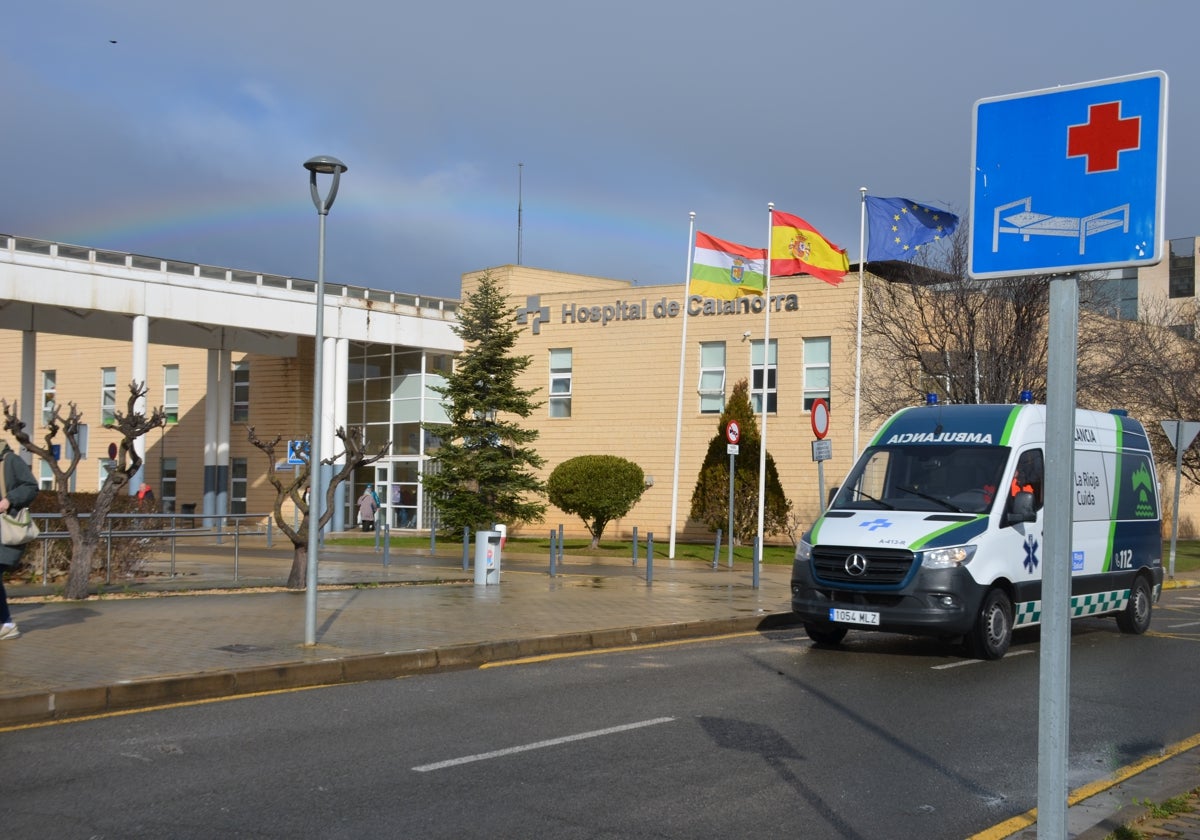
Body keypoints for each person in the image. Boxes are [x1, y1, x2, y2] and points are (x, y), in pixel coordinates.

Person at [0, 439, 39, 641]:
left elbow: (31, 486)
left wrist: (9, 500)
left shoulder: (10, 460)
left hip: (5, 532)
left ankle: (6, 623)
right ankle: (6, 623)